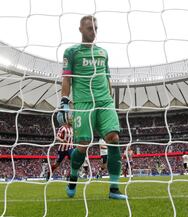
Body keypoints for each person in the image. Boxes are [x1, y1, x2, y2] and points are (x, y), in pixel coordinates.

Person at [57, 15, 127, 199]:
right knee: (83, 144)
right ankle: (73, 177)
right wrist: (64, 101)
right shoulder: (71, 52)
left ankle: (114, 189)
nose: (93, 31)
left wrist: (111, 99)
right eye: (89, 28)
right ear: (80, 29)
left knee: (114, 138)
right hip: (83, 103)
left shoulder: (103, 53)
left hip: (105, 102)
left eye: (96, 28)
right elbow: (67, 78)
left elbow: (106, 77)